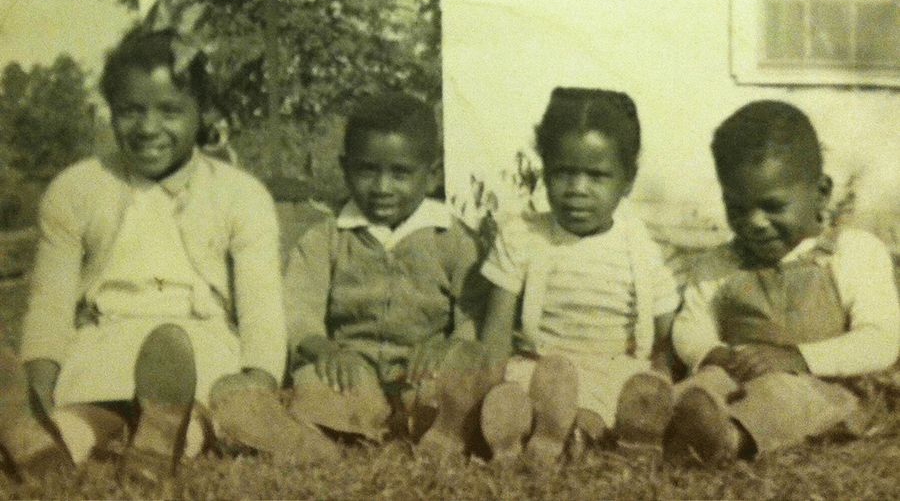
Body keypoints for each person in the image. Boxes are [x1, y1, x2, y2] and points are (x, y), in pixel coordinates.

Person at [1, 4, 335, 487]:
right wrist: (39, 381)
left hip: (198, 341)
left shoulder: (239, 194)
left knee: (196, 410)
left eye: (170, 110)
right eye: (130, 111)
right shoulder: (77, 189)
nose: (148, 127)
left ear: (203, 114)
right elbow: (50, 304)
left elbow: (262, 309)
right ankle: (42, 441)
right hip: (107, 337)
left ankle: (163, 441)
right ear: (111, 110)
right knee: (85, 412)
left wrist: (258, 383)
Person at [666, 100, 900, 464]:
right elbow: (690, 324)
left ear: (821, 192)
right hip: (738, 374)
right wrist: (710, 353)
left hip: (823, 386)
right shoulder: (720, 263)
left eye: (773, 206)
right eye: (738, 209)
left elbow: (881, 339)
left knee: (781, 398)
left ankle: (728, 438)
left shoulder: (852, 252)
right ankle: (658, 423)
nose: (755, 222)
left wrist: (800, 358)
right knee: (704, 384)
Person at [283, 91, 491, 456]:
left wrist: (449, 346)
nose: (382, 187)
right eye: (367, 170)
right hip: (351, 372)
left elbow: (474, 314)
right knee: (312, 384)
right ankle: (348, 427)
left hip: (421, 373)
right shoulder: (325, 238)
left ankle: (433, 423)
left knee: (455, 384)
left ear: (432, 174)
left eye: (400, 173)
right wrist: (325, 350)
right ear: (346, 168)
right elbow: (298, 312)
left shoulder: (454, 240)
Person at [478, 88, 680, 464]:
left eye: (597, 175)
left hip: (612, 369)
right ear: (544, 171)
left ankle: (571, 435)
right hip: (539, 366)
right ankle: (537, 429)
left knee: (624, 398)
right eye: (563, 172)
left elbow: (667, 334)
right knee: (516, 393)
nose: (577, 189)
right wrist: (489, 386)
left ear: (628, 180)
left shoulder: (642, 246)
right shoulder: (524, 235)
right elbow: (496, 330)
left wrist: (661, 378)